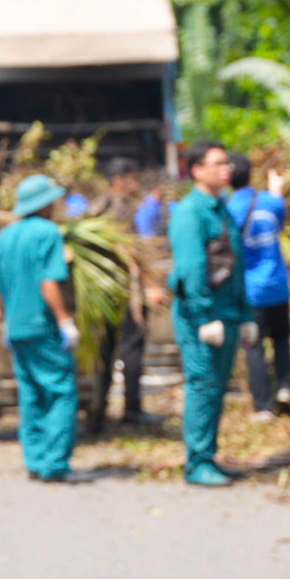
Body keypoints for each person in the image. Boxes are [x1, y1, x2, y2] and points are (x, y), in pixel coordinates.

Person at [167, 140, 257, 487]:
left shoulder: (221, 209)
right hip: (201, 317)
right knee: (203, 386)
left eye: (227, 164)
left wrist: (246, 314)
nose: (226, 170)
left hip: (229, 312)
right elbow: (192, 269)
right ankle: (197, 462)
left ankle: (209, 455)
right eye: (218, 164)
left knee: (217, 388)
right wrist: (204, 318)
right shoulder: (190, 213)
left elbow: (235, 266)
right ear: (197, 170)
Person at [0, 174, 84, 483]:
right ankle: (55, 464)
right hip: (42, 326)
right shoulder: (49, 233)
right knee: (60, 391)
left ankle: (34, 460)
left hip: (17, 327)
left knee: (30, 392)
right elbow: (49, 283)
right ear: (45, 204)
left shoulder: (6, 236)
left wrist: (6, 321)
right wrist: (65, 322)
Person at [88, 157, 169, 426]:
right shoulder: (121, 208)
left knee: (104, 352)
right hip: (124, 292)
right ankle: (132, 410)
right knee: (131, 349)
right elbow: (132, 252)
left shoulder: (95, 207)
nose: (136, 184)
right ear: (120, 180)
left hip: (99, 291)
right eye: (133, 178)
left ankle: (97, 411)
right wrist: (151, 285)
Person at [226, 154, 290, 420]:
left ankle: (264, 406)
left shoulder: (229, 210)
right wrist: (276, 187)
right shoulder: (269, 202)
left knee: (253, 347)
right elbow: (280, 213)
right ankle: (285, 387)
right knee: (281, 340)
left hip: (250, 292)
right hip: (278, 286)